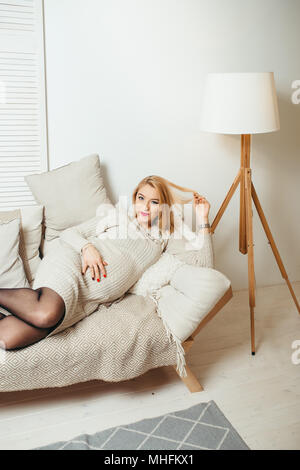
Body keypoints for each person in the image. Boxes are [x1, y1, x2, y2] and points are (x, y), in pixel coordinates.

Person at [0, 175, 211, 351]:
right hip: (70, 264)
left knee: (9, 339)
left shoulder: (165, 239)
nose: (145, 206)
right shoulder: (119, 217)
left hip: (87, 297)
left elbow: (203, 265)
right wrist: (87, 248)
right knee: (48, 312)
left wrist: (203, 220)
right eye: (141, 198)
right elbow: (70, 233)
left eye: (154, 202)